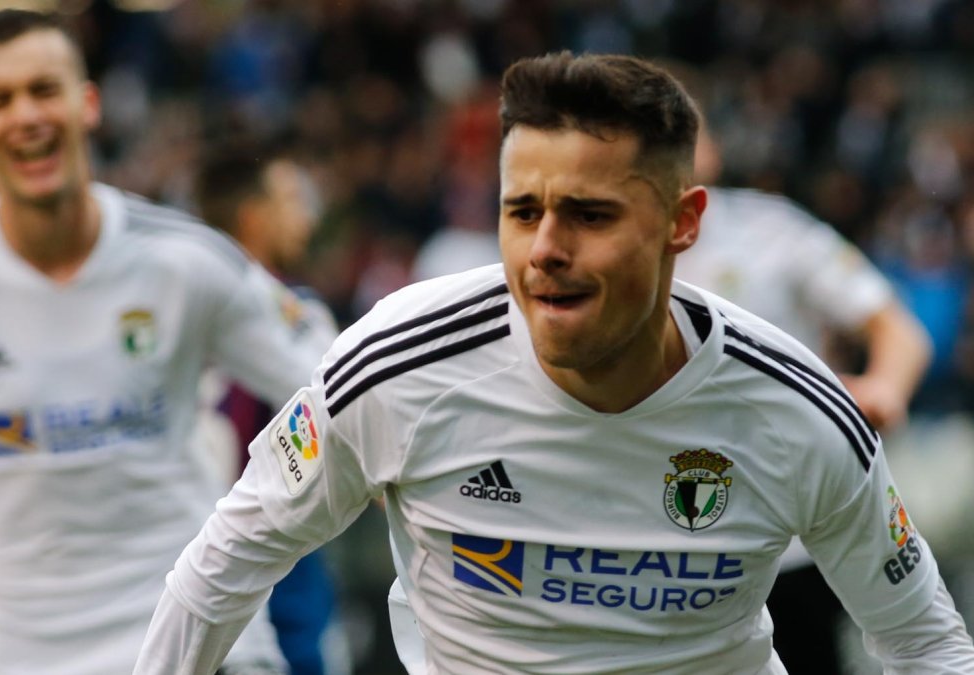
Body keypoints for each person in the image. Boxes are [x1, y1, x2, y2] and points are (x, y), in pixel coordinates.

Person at [132, 52, 974, 674]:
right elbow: (223, 566)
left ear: (684, 222)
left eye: (588, 214)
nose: (544, 249)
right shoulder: (397, 365)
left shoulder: (797, 411)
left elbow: (924, 638)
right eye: (521, 209)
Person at [0, 10, 331, 675]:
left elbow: (338, 386)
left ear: (88, 103)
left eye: (44, 89)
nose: (26, 114)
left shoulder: (190, 262)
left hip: (205, 649)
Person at [676, 127, 934, 673]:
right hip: (656, 543)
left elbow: (898, 331)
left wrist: (882, 391)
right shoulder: (594, 245)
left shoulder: (773, 229)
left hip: (787, 539)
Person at [194, 150, 348, 675]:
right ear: (253, 216)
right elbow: (349, 417)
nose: (306, 216)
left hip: (177, 560)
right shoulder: (295, 311)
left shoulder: (168, 305)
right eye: (292, 201)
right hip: (275, 566)